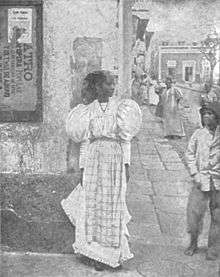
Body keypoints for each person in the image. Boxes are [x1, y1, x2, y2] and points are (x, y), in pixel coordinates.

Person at [62, 70, 142, 271]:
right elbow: (85, 142)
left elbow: (125, 140)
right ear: (97, 87)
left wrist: (127, 165)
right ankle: (93, 253)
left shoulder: (121, 109)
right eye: (107, 84)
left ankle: (112, 255)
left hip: (114, 159)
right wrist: (82, 169)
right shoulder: (87, 111)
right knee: (93, 205)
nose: (112, 87)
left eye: (113, 84)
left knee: (112, 205)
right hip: (94, 160)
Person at [184, 102, 220, 261]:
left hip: (217, 182)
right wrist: (195, 173)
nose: (206, 116)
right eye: (204, 113)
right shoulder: (198, 134)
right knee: (194, 214)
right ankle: (193, 243)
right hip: (200, 180)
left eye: (210, 114)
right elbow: (189, 154)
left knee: (217, 216)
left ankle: (213, 249)